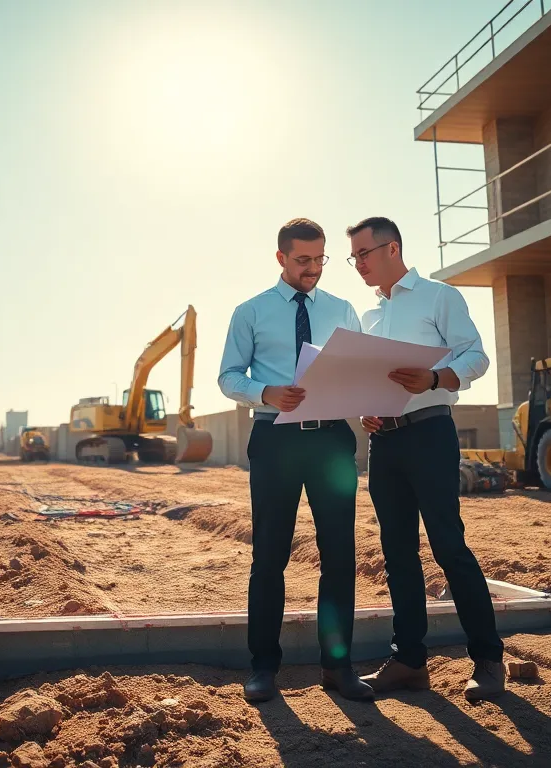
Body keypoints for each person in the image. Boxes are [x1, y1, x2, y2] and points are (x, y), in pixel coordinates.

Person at [345, 215, 506, 702]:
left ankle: (489, 661)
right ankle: (410, 662)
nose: (357, 265)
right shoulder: (368, 317)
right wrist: (364, 409)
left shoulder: (439, 295)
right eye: (353, 257)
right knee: (397, 555)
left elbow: (476, 356)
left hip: (430, 433)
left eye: (363, 254)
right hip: (384, 443)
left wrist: (436, 380)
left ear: (392, 249)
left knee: (448, 548)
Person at [217, 217, 373, 703]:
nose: (313, 269)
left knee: (339, 556)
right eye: (303, 260)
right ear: (281, 258)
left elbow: (361, 372)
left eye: (320, 259)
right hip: (274, 440)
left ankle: (338, 667)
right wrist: (266, 391)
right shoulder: (251, 311)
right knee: (269, 557)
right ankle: (264, 666)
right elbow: (227, 376)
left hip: (331, 442)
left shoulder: (343, 309)